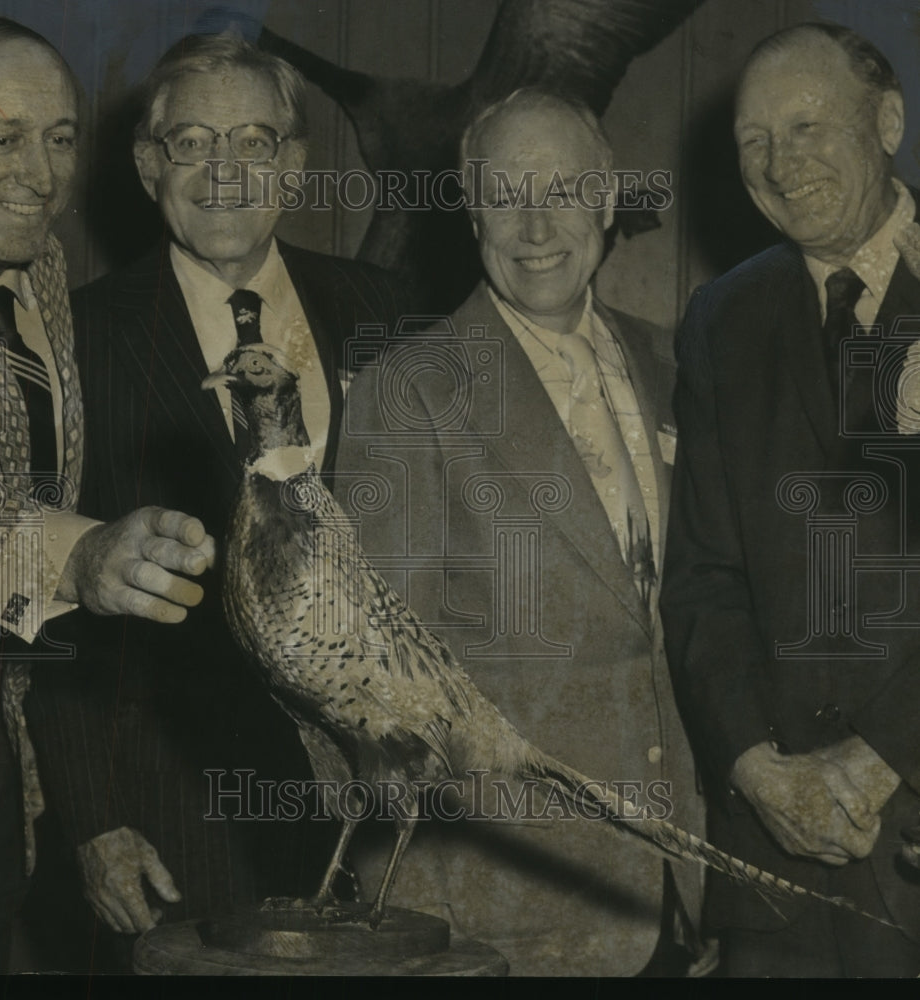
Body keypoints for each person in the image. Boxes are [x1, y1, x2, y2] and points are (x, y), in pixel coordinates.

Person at [27, 32, 410, 955]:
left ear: (295, 164)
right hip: (176, 810)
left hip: (385, 808)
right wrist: (92, 820)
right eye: (193, 142)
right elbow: (44, 584)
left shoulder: (391, 315)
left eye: (253, 141)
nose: (224, 170)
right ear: (149, 164)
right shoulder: (69, 341)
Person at [333, 87, 704, 976]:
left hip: (677, 890)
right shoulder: (407, 392)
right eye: (505, 195)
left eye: (565, 191)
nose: (537, 224)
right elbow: (377, 691)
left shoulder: (673, 363)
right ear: (470, 210)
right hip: (500, 914)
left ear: (610, 200)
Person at [0, 16, 215, 973]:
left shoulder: (40, 268)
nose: (41, 176)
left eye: (58, 139)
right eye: (1, 138)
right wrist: (84, 556)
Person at [661, 23, 920, 976]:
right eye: (753, 142)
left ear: (887, 121)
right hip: (779, 874)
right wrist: (753, 767)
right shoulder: (721, 318)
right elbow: (703, 577)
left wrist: (886, 748)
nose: (781, 163)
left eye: (807, 126)